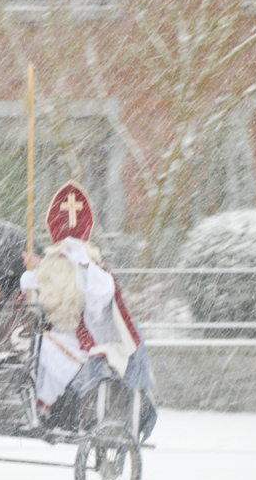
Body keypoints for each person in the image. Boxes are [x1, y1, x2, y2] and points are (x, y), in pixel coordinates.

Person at [17, 181, 156, 437]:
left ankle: (45, 407)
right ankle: (32, 404)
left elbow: (96, 303)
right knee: (34, 346)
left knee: (43, 349)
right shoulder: (49, 270)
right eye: (62, 255)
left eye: (68, 255)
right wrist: (30, 280)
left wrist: (83, 267)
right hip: (59, 334)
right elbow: (39, 300)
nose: (64, 260)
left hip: (85, 344)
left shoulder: (96, 274)